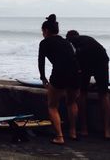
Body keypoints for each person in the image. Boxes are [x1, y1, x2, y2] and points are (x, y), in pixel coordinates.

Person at [66, 30, 110, 140]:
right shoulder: (87, 38)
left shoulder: (70, 42)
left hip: (85, 60)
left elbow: (73, 62)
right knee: (104, 94)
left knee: (82, 93)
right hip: (101, 59)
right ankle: (107, 131)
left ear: (68, 37)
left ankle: (84, 129)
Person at [38, 14, 80, 145]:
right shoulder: (67, 42)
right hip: (75, 74)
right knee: (71, 102)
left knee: (52, 106)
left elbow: (41, 62)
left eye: (42, 32)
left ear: (46, 31)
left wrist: (43, 78)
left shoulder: (44, 43)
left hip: (59, 74)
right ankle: (73, 132)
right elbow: (74, 58)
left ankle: (59, 136)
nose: (42, 34)